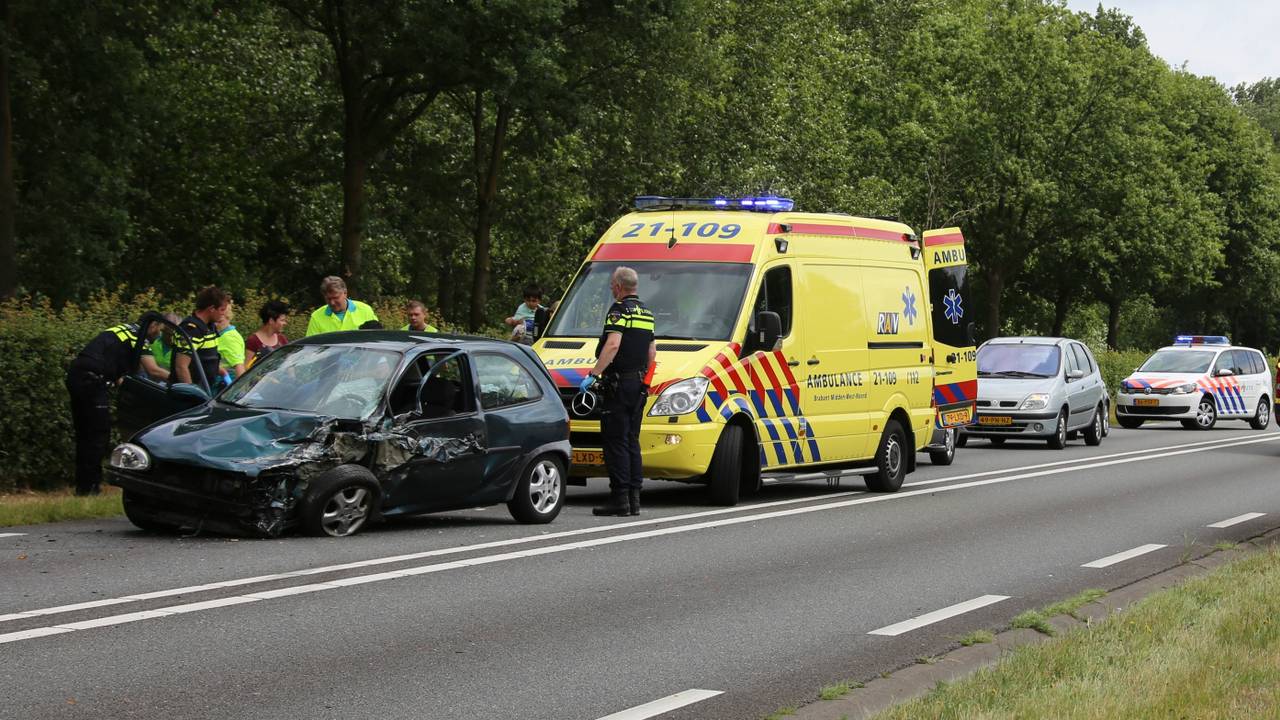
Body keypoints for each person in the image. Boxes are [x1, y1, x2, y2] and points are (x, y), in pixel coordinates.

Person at [579, 267, 656, 517]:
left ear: (619, 286)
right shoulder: (646, 312)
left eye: (612, 284)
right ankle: (634, 499)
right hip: (638, 383)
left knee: (616, 441)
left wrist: (594, 374)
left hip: (619, 383)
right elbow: (652, 352)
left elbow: (613, 344)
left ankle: (619, 499)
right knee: (632, 440)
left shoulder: (618, 310)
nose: (611, 288)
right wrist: (644, 379)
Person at [65, 318, 163, 495]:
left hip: (77, 376)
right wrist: (176, 380)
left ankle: (83, 486)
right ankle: (90, 488)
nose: (159, 334)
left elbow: (118, 375)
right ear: (153, 325)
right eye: (160, 330)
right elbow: (153, 370)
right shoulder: (138, 337)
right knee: (98, 435)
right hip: (93, 382)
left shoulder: (120, 331)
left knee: (85, 434)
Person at [174, 286, 230, 387]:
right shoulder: (192, 330)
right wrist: (191, 392)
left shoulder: (210, 327)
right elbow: (181, 367)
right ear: (211, 309)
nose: (224, 314)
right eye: (222, 310)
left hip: (206, 388)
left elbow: (206, 359)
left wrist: (223, 373)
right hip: (190, 390)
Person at [305, 276, 378, 336]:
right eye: (328, 299)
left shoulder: (365, 310)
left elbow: (377, 338)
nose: (332, 303)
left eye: (335, 298)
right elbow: (311, 346)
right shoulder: (316, 317)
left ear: (345, 293)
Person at [244, 300, 289, 368]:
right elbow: (246, 367)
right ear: (271, 321)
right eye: (282, 320)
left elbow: (288, 364)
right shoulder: (253, 340)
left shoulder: (282, 339)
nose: (285, 323)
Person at [139, 313, 182, 382]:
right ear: (161, 329)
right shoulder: (151, 340)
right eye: (168, 334)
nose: (171, 338)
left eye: (175, 335)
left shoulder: (183, 349)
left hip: (168, 386)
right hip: (144, 381)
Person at [215, 304, 246, 387]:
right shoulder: (221, 334)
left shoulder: (229, 337)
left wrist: (241, 389)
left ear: (228, 318)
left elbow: (239, 366)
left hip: (226, 383)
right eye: (213, 321)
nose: (216, 324)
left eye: (219, 321)